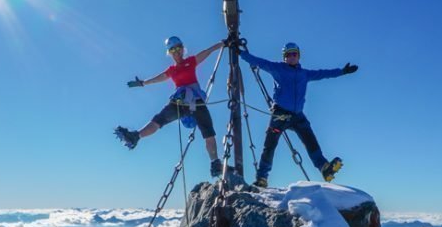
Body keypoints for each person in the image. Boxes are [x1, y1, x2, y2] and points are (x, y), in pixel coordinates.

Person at [238, 41, 358, 187]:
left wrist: (342, 71)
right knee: (270, 145)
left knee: (310, 139)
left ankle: (324, 168)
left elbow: (323, 74)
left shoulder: (304, 74)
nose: (292, 57)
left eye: (294, 54)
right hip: (280, 114)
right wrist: (240, 53)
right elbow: (258, 62)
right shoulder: (277, 68)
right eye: (288, 54)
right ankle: (262, 178)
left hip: (297, 116)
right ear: (284, 57)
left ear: (298, 56)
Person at [115, 36, 225, 177]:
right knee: (159, 119)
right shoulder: (172, 70)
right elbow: (158, 78)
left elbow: (207, 51)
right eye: (173, 49)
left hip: (196, 101)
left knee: (208, 132)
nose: (176, 52)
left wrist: (222, 44)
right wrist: (143, 83)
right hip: (179, 101)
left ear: (182, 49)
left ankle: (215, 163)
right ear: (169, 52)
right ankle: (135, 137)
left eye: (178, 48)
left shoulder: (190, 62)